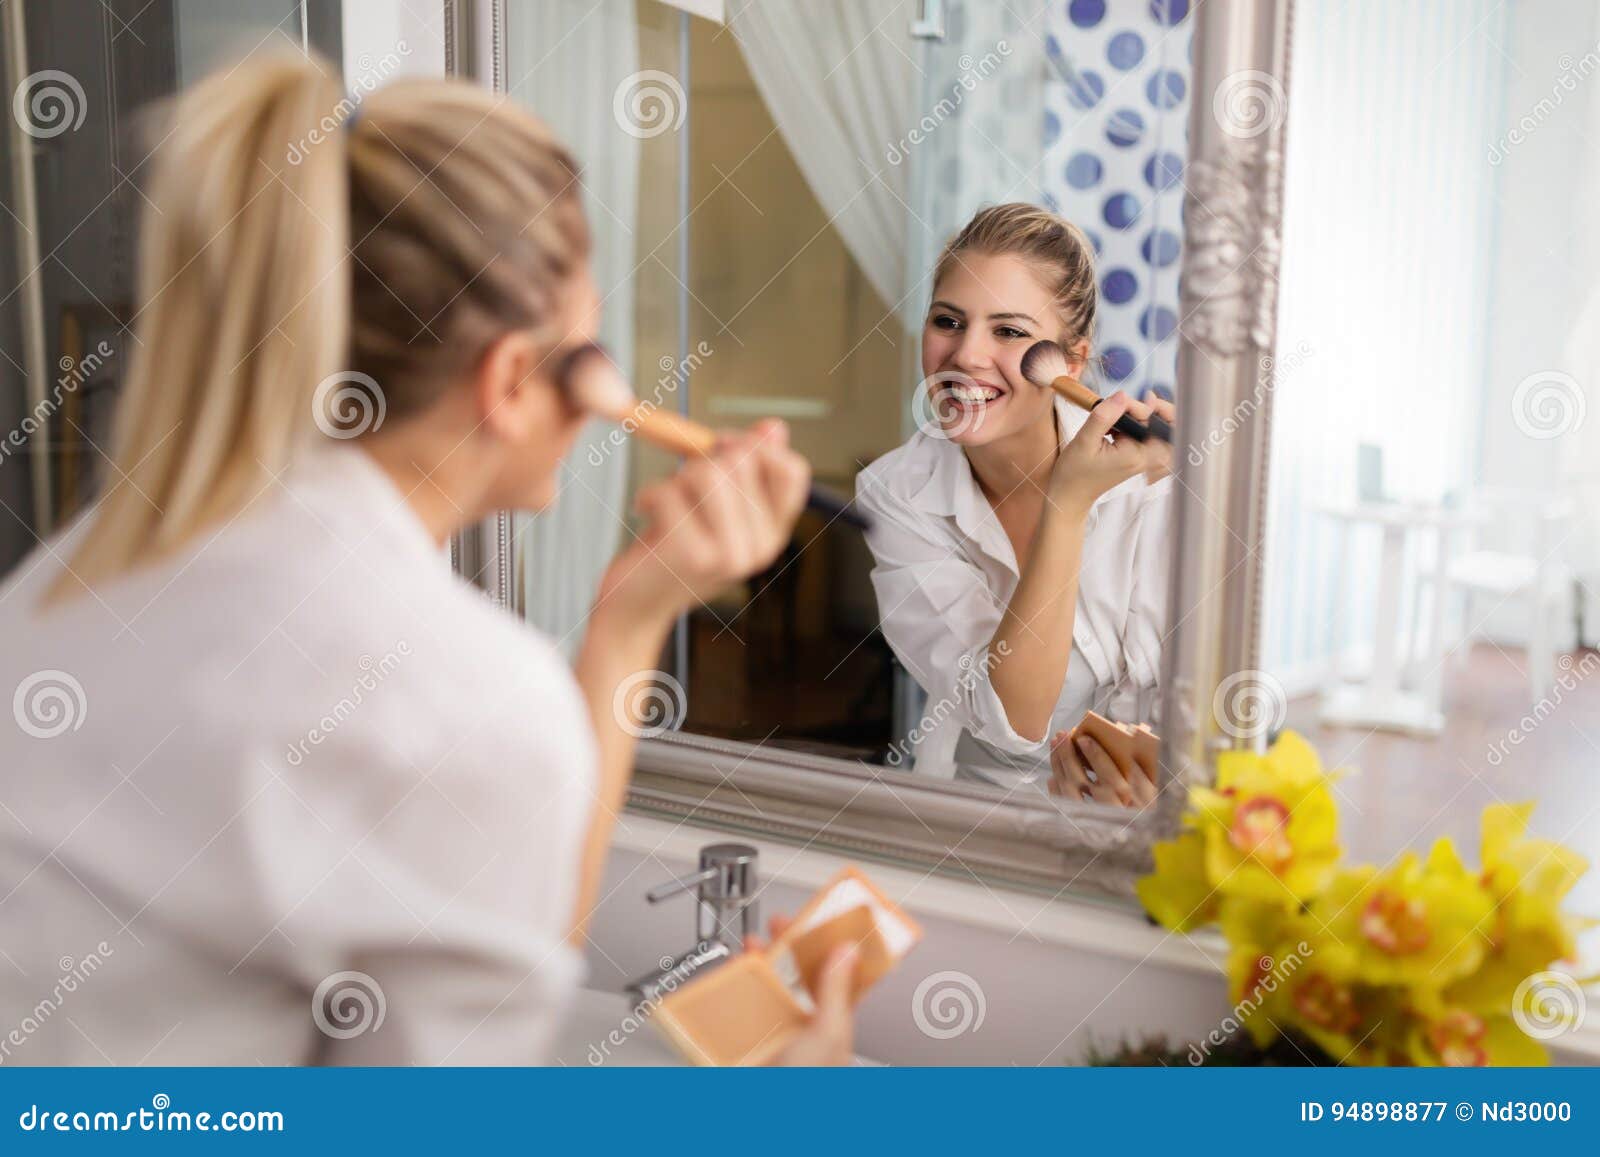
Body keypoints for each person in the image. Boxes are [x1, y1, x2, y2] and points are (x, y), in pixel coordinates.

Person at [0, 53, 854, 1065]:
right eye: (587, 346)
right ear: (507, 380)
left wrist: (629, 616)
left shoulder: (77, 569)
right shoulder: (455, 691)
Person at [855, 204, 1173, 805]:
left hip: (1146, 825)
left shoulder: (1150, 482)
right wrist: (1067, 508)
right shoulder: (896, 493)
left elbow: (1198, 712)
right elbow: (1017, 721)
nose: (968, 355)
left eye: (1009, 331)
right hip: (983, 827)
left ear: (1071, 363)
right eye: (948, 321)